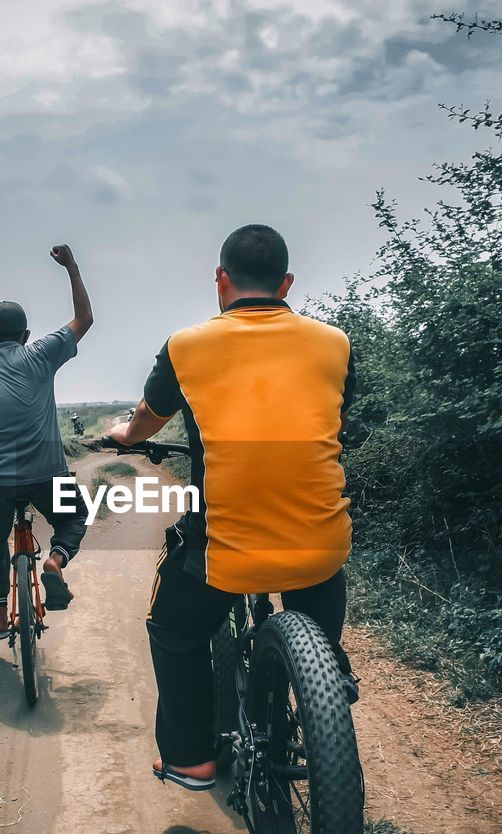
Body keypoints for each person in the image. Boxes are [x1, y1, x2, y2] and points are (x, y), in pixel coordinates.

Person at [108, 224, 356, 792]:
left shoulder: (186, 346)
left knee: (172, 626)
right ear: (287, 282)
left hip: (226, 551)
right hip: (319, 549)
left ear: (220, 280)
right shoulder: (335, 343)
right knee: (319, 574)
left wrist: (123, 435)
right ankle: (330, 673)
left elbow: (146, 420)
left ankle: (192, 758)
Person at [0, 245, 93, 637]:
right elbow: (84, 318)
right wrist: (72, 267)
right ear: (27, 335)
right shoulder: (41, 355)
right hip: (46, 475)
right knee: (75, 515)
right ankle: (56, 561)